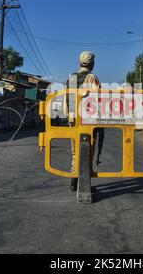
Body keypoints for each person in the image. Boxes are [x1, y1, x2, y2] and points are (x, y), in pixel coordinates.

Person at [66, 51, 101, 192]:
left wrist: (69, 116)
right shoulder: (92, 78)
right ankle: (84, 183)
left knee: (75, 151)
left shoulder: (71, 78)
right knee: (87, 150)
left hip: (73, 119)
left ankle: (74, 182)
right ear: (92, 64)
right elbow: (98, 99)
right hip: (87, 120)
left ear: (80, 62)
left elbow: (66, 100)